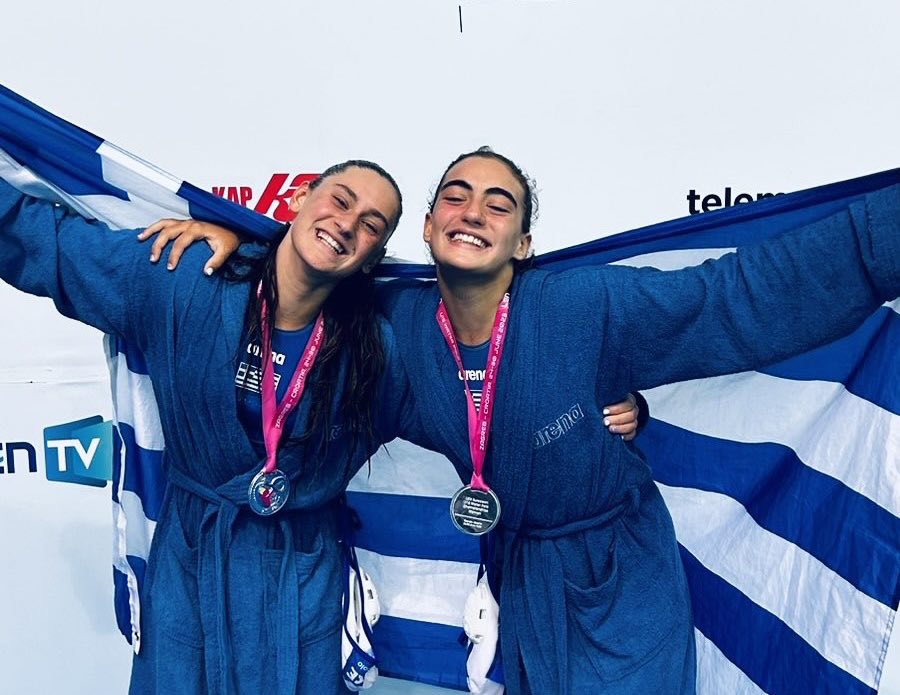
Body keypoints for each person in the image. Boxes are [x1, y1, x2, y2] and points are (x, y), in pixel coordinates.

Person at [166, 147, 900, 694]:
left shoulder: (585, 307)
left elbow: (731, 297)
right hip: (523, 581)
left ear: (521, 245)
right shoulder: (398, 328)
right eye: (455, 197)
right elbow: (312, 279)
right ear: (427, 227)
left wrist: (881, 239)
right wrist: (238, 247)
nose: (472, 212)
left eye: (498, 204)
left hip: (621, 578)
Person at [0, 160, 409, 695]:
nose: (348, 223)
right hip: (192, 561)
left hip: (300, 581)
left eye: (372, 224)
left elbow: (475, 395)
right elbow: (51, 247)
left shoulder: (379, 351)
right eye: (340, 199)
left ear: (373, 258)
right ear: (299, 198)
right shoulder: (188, 277)